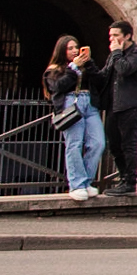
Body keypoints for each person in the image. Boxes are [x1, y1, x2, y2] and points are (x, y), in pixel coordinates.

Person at [86, 21, 137, 196]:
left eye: (116, 35)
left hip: (132, 105)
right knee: (114, 145)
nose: (112, 39)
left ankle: (130, 183)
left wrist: (116, 53)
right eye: (111, 36)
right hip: (114, 106)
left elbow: (124, 70)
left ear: (127, 36)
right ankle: (123, 179)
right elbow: (103, 78)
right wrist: (89, 64)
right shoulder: (115, 56)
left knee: (129, 144)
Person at [44, 35, 106, 201]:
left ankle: (86, 181)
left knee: (98, 143)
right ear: (62, 51)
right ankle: (77, 184)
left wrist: (90, 64)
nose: (74, 51)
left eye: (76, 47)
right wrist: (73, 68)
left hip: (90, 104)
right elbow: (58, 87)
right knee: (75, 144)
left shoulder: (86, 66)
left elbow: (101, 81)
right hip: (70, 103)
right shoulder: (55, 69)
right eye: (69, 48)